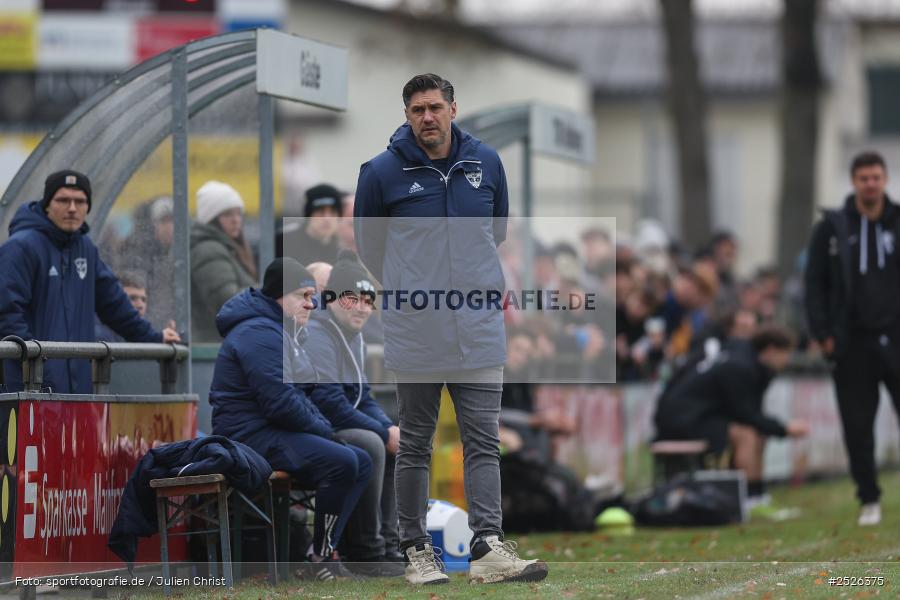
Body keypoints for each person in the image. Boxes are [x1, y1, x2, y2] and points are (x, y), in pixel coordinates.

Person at [355, 73, 547, 585]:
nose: (427, 117)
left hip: (478, 328)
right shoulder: (379, 173)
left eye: (435, 107)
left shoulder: (487, 163)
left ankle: (488, 548)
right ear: (406, 115)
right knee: (415, 444)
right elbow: (372, 249)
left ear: (453, 109)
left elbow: (495, 232)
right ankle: (416, 551)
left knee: (484, 441)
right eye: (417, 109)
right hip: (417, 332)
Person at [208, 258, 371, 580]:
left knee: (361, 460)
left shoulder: (283, 330)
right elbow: (281, 403)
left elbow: (303, 396)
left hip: (272, 430)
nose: (311, 304)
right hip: (248, 436)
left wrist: (325, 431)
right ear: (279, 295)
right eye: (303, 295)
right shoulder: (258, 332)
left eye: (312, 296)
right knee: (343, 461)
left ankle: (322, 552)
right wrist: (327, 433)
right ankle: (321, 557)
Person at [0, 170, 180, 394]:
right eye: (63, 200)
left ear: (88, 207)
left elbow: (115, 304)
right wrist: (37, 368)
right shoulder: (21, 248)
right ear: (47, 205)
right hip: (28, 390)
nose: (72, 208)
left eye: (80, 201)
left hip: (77, 389)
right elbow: (7, 314)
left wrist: (155, 337)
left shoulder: (85, 248)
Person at [804, 150, 900, 526]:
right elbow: (814, 284)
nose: (871, 184)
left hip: (895, 335)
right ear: (853, 182)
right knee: (858, 426)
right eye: (864, 178)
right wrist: (822, 332)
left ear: (886, 179)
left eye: (876, 177)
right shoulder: (831, 228)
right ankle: (869, 498)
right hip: (851, 341)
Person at [306, 251, 403, 577]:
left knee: (396, 441)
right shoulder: (318, 333)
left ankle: (388, 545)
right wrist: (381, 432)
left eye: (367, 301)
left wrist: (389, 428)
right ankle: (366, 551)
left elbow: (363, 397)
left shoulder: (351, 335)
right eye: (352, 299)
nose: (361, 307)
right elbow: (329, 402)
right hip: (314, 430)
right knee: (371, 442)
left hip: (334, 424)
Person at [654, 326, 809, 510]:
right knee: (746, 435)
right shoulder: (740, 366)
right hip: (681, 420)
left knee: (757, 433)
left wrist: (776, 428)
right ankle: (750, 499)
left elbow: (749, 413)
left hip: (697, 415)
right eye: (786, 354)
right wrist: (784, 428)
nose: (787, 360)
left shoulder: (746, 360)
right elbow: (746, 414)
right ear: (771, 350)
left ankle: (759, 495)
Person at [191, 180, 258, 342]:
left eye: (238, 213)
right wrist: (269, 292)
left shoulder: (227, 248)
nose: (236, 220)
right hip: (213, 344)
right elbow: (227, 301)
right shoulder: (208, 250)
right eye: (227, 214)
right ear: (212, 219)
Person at [119, 196, 176, 329]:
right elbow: (136, 292)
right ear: (152, 224)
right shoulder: (136, 252)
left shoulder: (181, 253)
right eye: (164, 221)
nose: (169, 227)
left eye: (173, 221)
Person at [281, 183, 342, 265]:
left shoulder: (341, 252)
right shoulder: (284, 243)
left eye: (333, 212)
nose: (327, 219)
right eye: (321, 212)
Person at [95, 270, 153, 342]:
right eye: (132, 298)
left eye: (143, 300)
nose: (140, 305)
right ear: (115, 299)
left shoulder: (145, 334)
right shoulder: (99, 334)